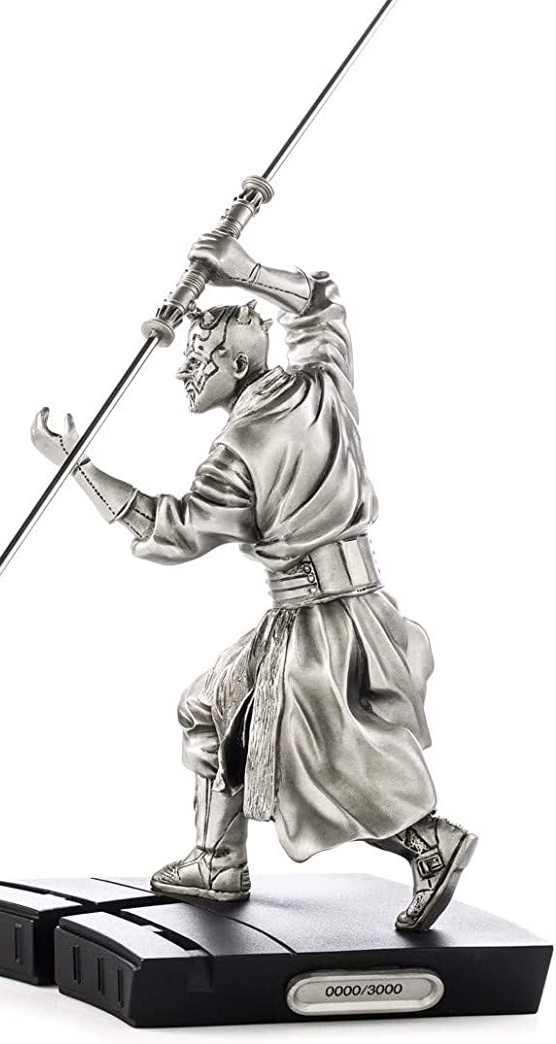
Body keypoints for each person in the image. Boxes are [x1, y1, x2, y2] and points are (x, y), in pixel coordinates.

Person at [31, 232, 477, 932]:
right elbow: (320, 306)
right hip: (356, 606)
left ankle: (431, 842)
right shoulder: (321, 383)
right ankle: (216, 859)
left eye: (198, 357)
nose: (185, 371)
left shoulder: (237, 451)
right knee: (209, 705)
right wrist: (246, 271)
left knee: (327, 762)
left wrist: (75, 466)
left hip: (317, 623)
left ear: (236, 363)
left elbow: (174, 532)